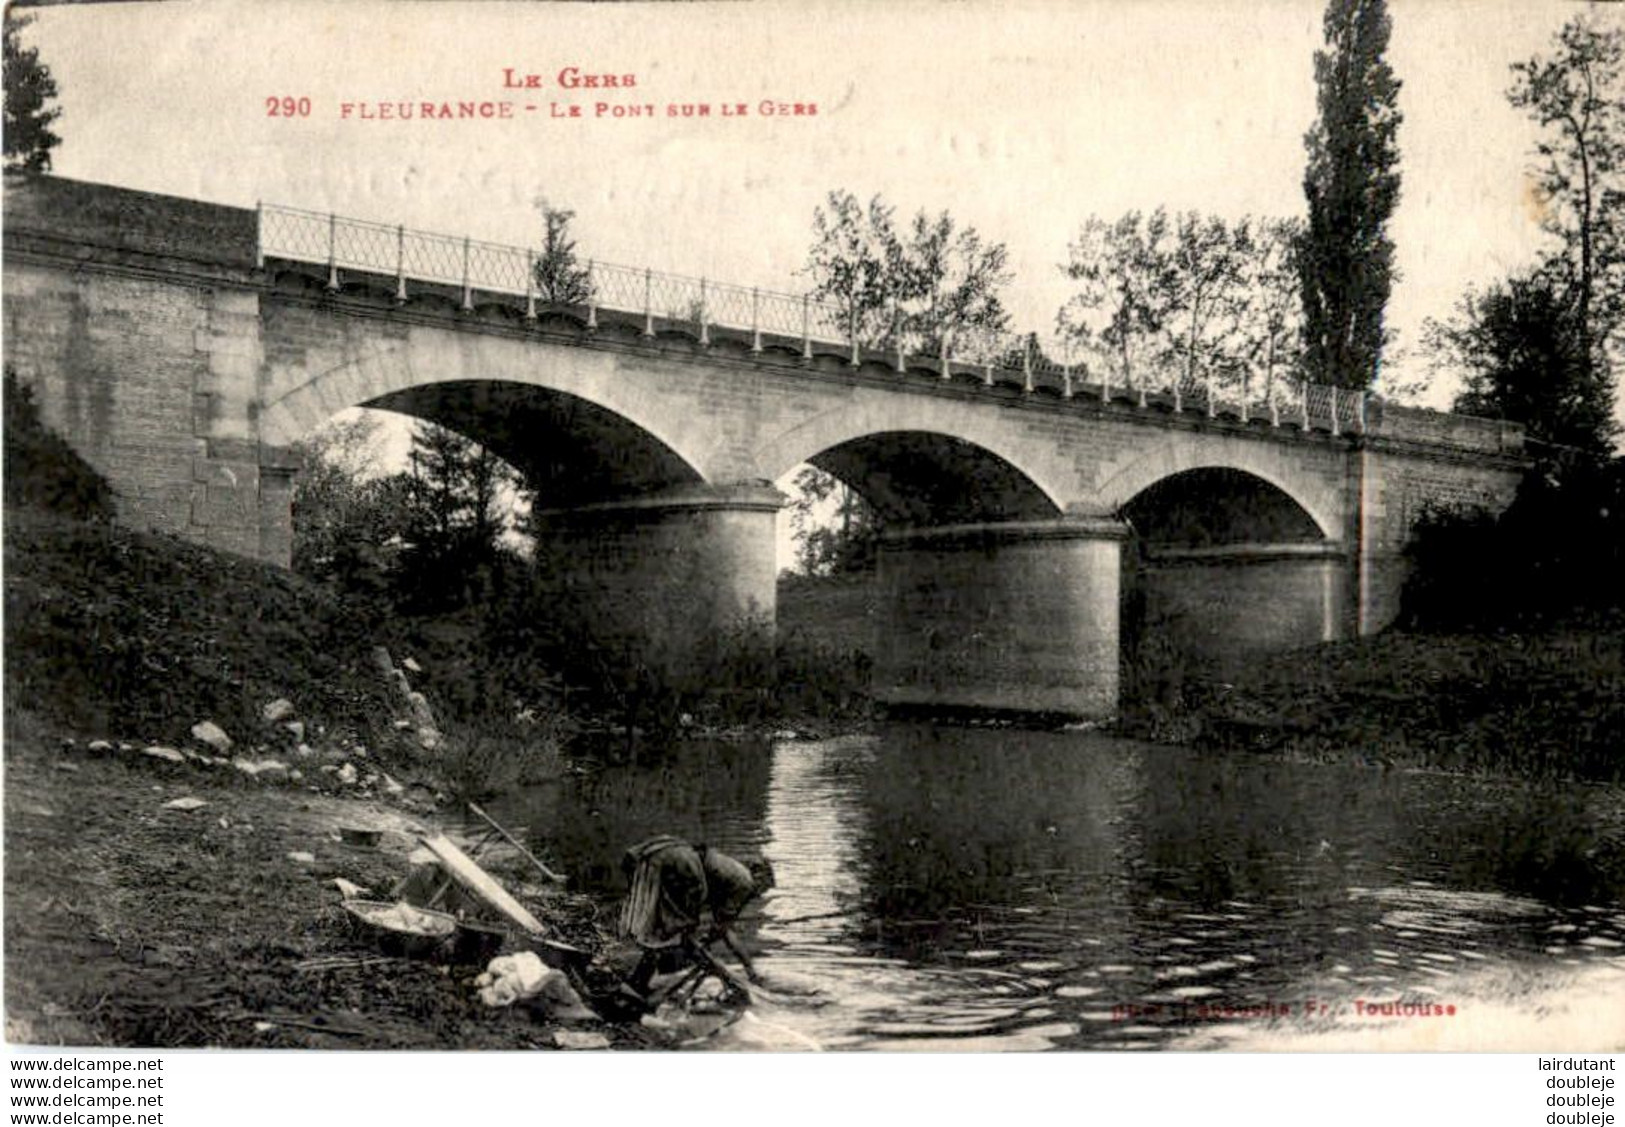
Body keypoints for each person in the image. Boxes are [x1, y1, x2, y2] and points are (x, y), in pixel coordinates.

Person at [617, 835, 774, 1000]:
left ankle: (639, 982)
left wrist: (706, 941)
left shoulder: (731, 874)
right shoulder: (745, 883)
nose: (759, 895)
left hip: (666, 853)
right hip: (683, 865)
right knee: (679, 932)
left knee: (663, 931)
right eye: (764, 889)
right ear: (760, 877)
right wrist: (749, 970)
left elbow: (722, 929)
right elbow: (723, 929)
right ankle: (640, 984)